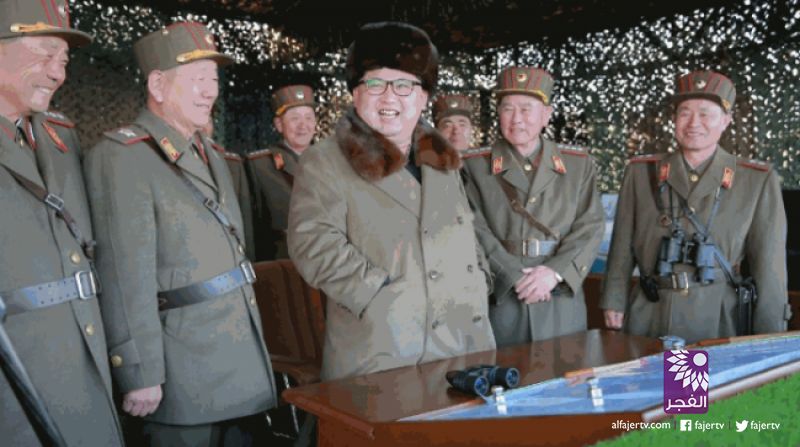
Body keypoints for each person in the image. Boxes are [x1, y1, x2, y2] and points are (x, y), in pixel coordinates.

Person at [83, 22, 276, 446]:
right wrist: (140, 371)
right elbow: (124, 276)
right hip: (183, 372)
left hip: (238, 359)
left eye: (214, 79)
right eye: (198, 79)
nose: (210, 92)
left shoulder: (210, 153)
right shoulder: (122, 158)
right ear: (157, 84)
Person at [288, 21, 496, 383]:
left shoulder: (443, 159)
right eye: (375, 84)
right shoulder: (325, 160)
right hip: (386, 346)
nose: (389, 98)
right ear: (355, 93)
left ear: (423, 97)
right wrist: (379, 295)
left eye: (403, 85)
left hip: (465, 337)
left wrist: (481, 277)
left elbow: (466, 228)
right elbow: (312, 244)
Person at [0, 0, 123, 445]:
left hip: (82, 359)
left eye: (64, 60)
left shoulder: (59, 136)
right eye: (45, 54)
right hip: (18, 377)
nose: (58, 73)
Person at [601, 70, 790, 343]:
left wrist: (770, 334)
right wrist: (614, 299)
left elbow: (769, 266)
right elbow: (622, 244)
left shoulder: (755, 180)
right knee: (647, 373)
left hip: (716, 321)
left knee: (694, 374)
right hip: (649, 314)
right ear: (674, 119)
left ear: (725, 121)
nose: (693, 123)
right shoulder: (641, 173)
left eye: (705, 114)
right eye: (685, 113)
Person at [462, 66, 604, 347]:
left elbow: (590, 225)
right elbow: (472, 228)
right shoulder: (474, 166)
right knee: (505, 372)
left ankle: (690, 379)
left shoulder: (577, 165)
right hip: (503, 295)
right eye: (508, 109)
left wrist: (554, 272)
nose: (517, 119)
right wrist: (512, 275)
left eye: (526, 109)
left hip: (559, 295)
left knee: (566, 370)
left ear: (546, 115)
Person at [246, 84, 317, 260]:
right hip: (284, 267)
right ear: (279, 125)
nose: (303, 125)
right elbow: (250, 231)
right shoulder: (259, 166)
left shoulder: (333, 163)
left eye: (308, 118)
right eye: (295, 118)